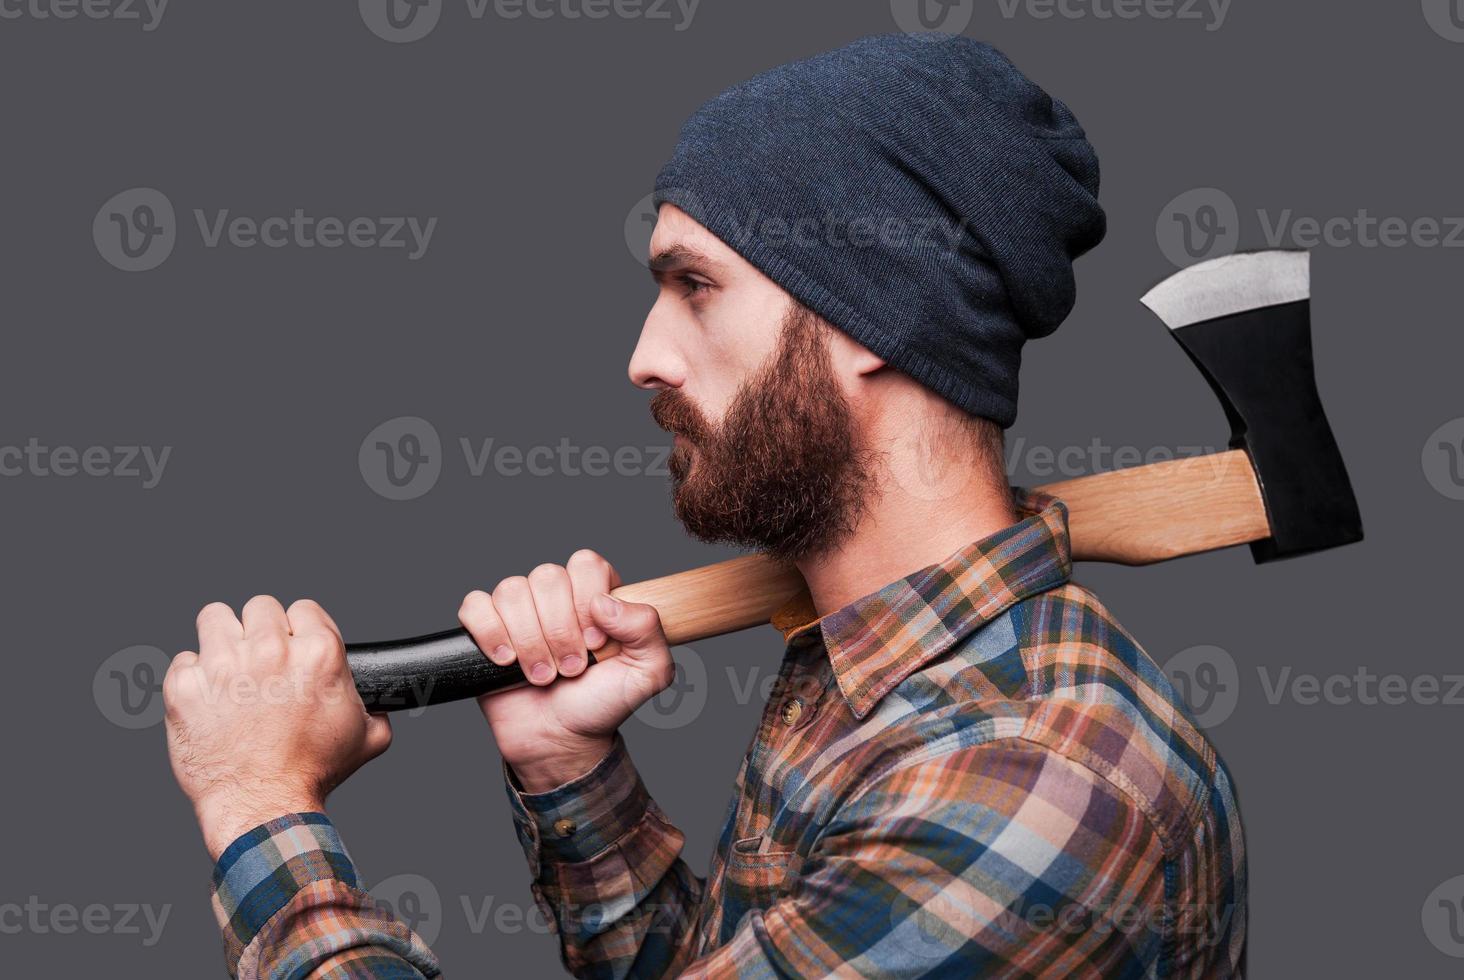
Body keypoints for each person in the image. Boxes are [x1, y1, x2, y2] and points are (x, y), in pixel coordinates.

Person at [164, 34, 1247, 978]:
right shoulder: (876, 668)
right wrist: (568, 765)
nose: (643, 356)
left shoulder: (1027, 784)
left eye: (697, 286)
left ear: (876, 311)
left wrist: (260, 805)